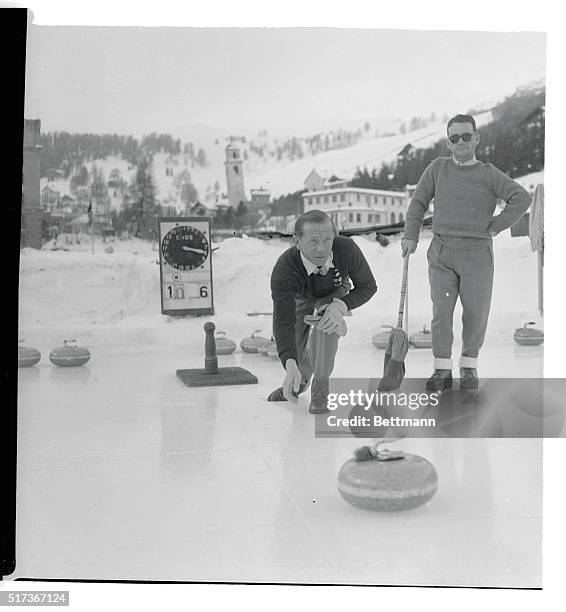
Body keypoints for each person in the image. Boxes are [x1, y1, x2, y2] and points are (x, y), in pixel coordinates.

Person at [401, 114, 531, 390]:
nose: (460, 141)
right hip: (442, 252)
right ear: (448, 142)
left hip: (477, 254)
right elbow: (418, 203)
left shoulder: (488, 174)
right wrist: (410, 235)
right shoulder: (438, 168)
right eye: (454, 137)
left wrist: (495, 227)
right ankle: (442, 370)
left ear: (476, 138)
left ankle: (469, 367)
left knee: (475, 313)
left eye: (466, 136)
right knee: (442, 312)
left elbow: (522, 197)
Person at [269, 210, 377, 413]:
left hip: (335, 291)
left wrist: (339, 306)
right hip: (301, 295)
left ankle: (320, 387)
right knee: (296, 344)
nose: (322, 249)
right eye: (313, 241)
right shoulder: (285, 269)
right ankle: (298, 380)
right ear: (296, 241)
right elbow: (283, 320)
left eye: (328, 240)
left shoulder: (346, 250)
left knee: (325, 322)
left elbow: (368, 287)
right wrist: (290, 365)